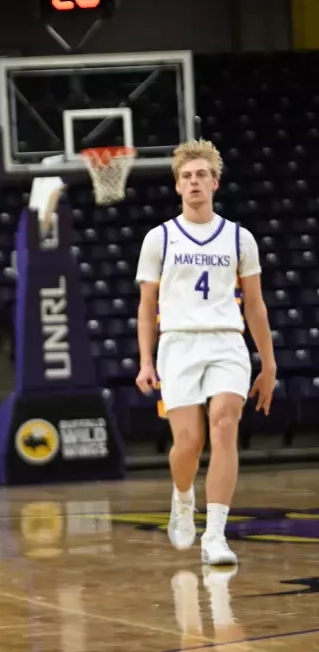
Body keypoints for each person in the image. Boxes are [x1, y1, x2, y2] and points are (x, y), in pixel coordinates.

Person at [135, 140, 275, 566]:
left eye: (201, 175)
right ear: (178, 187)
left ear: (214, 182)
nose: (194, 182)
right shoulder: (159, 238)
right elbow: (146, 306)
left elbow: (254, 304)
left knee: (224, 425)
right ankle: (182, 497)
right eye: (187, 176)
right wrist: (145, 359)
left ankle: (215, 535)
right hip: (177, 341)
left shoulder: (239, 237)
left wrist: (267, 362)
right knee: (188, 444)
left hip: (226, 341)